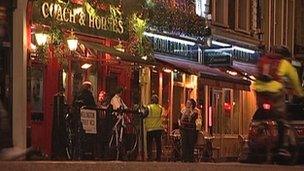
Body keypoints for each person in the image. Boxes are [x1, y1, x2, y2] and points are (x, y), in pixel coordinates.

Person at [253, 45, 304, 156]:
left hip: (259, 90)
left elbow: (257, 73)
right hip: (274, 92)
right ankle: (282, 148)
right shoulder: (285, 63)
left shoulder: (263, 59)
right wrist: (300, 94)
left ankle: (251, 140)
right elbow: (295, 81)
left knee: (261, 113)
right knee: (280, 118)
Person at [144, 94, 164, 161]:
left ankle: (150, 157)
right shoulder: (160, 108)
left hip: (150, 129)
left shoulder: (149, 107)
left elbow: (144, 115)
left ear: (151, 100)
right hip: (158, 128)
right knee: (158, 144)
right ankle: (158, 157)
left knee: (149, 144)